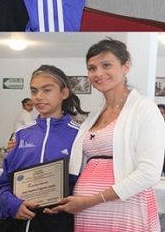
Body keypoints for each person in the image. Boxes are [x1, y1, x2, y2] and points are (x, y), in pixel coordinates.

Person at [45, 39, 165, 231]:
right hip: (87, 211)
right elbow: (74, 152)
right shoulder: (93, 116)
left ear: (126, 66)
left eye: (106, 65)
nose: (98, 73)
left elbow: (149, 173)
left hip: (122, 207)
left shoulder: (144, 110)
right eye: (92, 68)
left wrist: (91, 200)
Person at [0, 65, 83, 232]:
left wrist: (68, 204)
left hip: (58, 223)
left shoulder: (79, 135)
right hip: (17, 223)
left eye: (47, 90)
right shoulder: (21, 135)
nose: (39, 97)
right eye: (34, 91)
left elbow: (83, 185)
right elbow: (3, 185)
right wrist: (14, 205)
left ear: (64, 93)